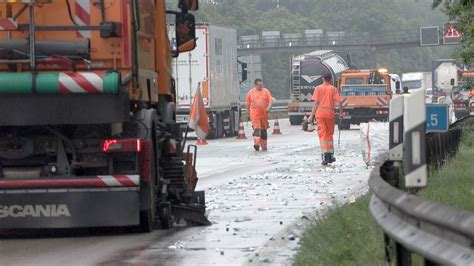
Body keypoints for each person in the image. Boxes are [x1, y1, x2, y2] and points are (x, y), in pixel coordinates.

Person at [307, 73, 342, 165]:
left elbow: (316, 103)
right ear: (330, 79)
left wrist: (311, 116)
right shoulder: (333, 89)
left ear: (323, 79)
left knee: (323, 134)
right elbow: (339, 102)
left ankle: (325, 155)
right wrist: (341, 113)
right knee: (329, 134)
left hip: (320, 115)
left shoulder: (318, 88)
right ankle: (330, 155)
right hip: (330, 115)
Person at [246, 79, 273, 151]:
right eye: (259, 85)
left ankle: (264, 146)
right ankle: (256, 144)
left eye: (261, 85)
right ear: (255, 85)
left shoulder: (266, 91)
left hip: (264, 115)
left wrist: (268, 108)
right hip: (255, 115)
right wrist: (248, 113)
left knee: (263, 131)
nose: (261, 86)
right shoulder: (251, 92)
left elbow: (270, 101)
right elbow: (247, 104)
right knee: (257, 129)